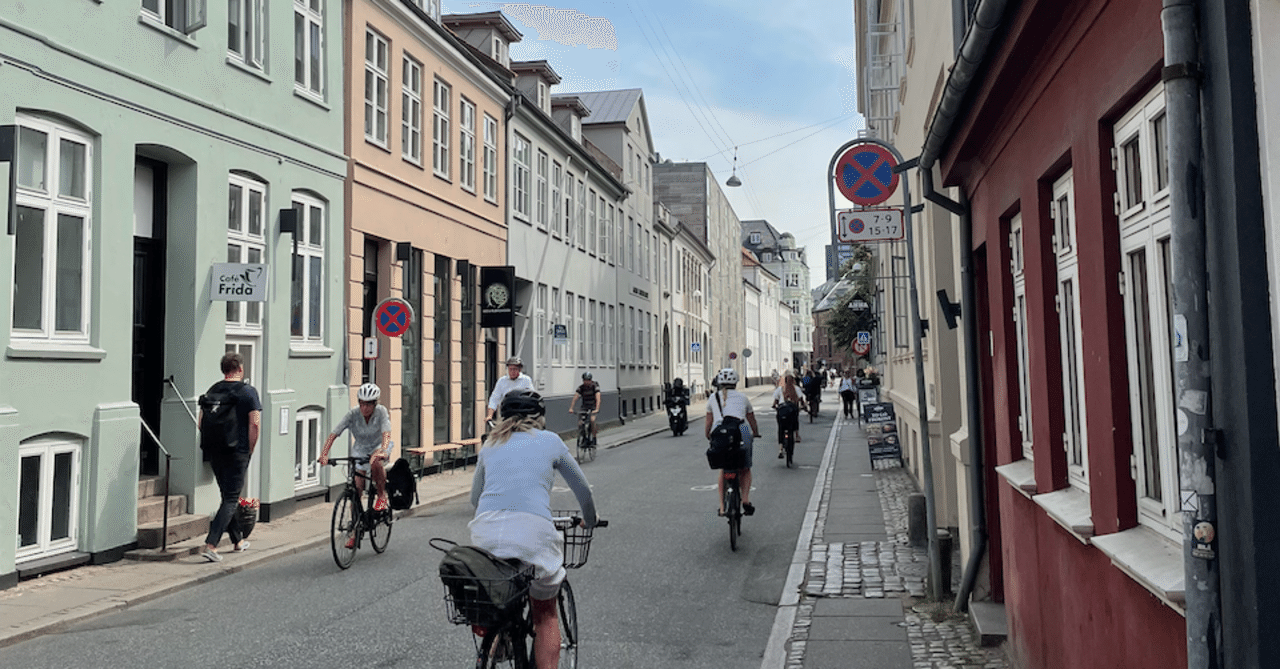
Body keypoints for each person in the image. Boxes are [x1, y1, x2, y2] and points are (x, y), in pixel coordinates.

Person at [470, 389, 597, 669]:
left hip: (485, 534)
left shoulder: (490, 444)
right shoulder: (550, 441)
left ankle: (498, 637)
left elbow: (474, 498)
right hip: (532, 533)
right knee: (544, 613)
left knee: (496, 598)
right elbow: (583, 491)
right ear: (539, 417)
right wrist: (591, 519)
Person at [198, 352, 262, 562]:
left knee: (227, 495)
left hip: (215, 450)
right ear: (240, 369)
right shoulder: (248, 392)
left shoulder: (212, 390)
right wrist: (250, 449)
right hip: (238, 450)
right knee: (232, 497)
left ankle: (238, 540)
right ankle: (211, 544)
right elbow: (255, 423)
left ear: (223, 369)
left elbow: (201, 421)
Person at [319, 383, 393, 546]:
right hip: (359, 449)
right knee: (356, 488)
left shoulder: (381, 412)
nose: (364, 408)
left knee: (375, 462)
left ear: (375, 404)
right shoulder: (352, 414)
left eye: (368, 404)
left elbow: (386, 433)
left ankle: (381, 495)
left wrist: (383, 449)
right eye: (361, 403)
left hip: (378, 445)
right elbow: (334, 434)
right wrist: (324, 454)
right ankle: (355, 530)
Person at [705, 368, 761, 516]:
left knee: (724, 468)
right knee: (745, 467)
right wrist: (755, 432)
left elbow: (708, 422)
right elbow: (751, 419)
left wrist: (708, 435)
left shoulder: (712, 398)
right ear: (736, 382)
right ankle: (746, 500)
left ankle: (722, 507)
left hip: (720, 432)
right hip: (741, 431)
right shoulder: (743, 397)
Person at [486, 356, 534, 424]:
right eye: (510, 369)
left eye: (514, 369)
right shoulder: (502, 381)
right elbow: (495, 398)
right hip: (506, 414)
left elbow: (531, 397)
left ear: (519, 369)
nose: (512, 372)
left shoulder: (526, 380)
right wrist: (490, 415)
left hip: (521, 414)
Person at [771, 370, 806, 457]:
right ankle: (797, 435)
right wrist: (804, 406)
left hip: (782, 410)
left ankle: (780, 448)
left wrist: (775, 406)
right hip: (792, 409)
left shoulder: (780, 389)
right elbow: (802, 400)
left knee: (781, 428)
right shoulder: (796, 388)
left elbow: (775, 402)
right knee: (795, 420)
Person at [568, 372, 602, 445]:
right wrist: (571, 408)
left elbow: (598, 398)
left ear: (590, 380)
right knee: (580, 423)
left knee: (592, 420)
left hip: (593, 406)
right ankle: (584, 438)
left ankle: (594, 438)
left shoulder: (594, 386)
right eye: (585, 380)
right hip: (585, 407)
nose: (586, 382)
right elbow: (575, 397)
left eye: (588, 380)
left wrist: (597, 408)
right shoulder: (581, 388)